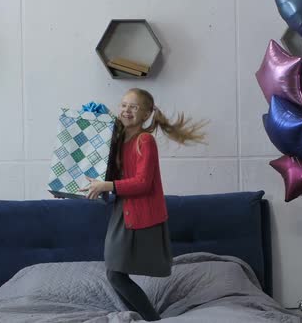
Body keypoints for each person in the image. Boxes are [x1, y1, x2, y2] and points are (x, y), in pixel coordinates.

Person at [80, 88, 207, 321]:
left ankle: (152, 319)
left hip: (139, 214)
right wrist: (72, 190)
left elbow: (143, 183)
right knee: (114, 273)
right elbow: (104, 174)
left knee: (115, 274)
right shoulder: (117, 140)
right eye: (124, 105)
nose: (126, 110)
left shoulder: (144, 140)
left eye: (134, 107)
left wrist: (106, 186)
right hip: (122, 210)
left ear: (146, 113)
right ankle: (145, 317)